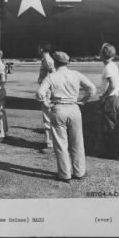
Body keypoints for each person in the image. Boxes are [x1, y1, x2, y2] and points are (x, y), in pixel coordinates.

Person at [36, 51, 96, 182]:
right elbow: (92, 89)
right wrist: (84, 100)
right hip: (74, 108)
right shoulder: (76, 74)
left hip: (58, 109)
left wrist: (46, 104)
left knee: (61, 144)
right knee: (77, 142)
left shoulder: (52, 76)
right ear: (67, 62)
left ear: (55, 63)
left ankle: (65, 174)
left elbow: (40, 93)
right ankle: (79, 172)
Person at [99, 43, 119, 158]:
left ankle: (111, 152)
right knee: (112, 124)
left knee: (109, 126)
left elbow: (112, 86)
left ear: (103, 54)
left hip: (110, 99)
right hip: (114, 98)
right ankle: (113, 151)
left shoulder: (108, 68)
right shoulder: (113, 65)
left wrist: (103, 97)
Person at [37, 42, 55, 149]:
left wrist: (46, 86)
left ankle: (50, 143)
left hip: (47, 91)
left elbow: (53, 73)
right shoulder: (45, 59)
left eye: (38, 48)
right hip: (46, 90)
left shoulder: (47, 60)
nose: (37, 50)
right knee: (47, 115)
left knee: (47, 116)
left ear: (42, 49)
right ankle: (50, 141)